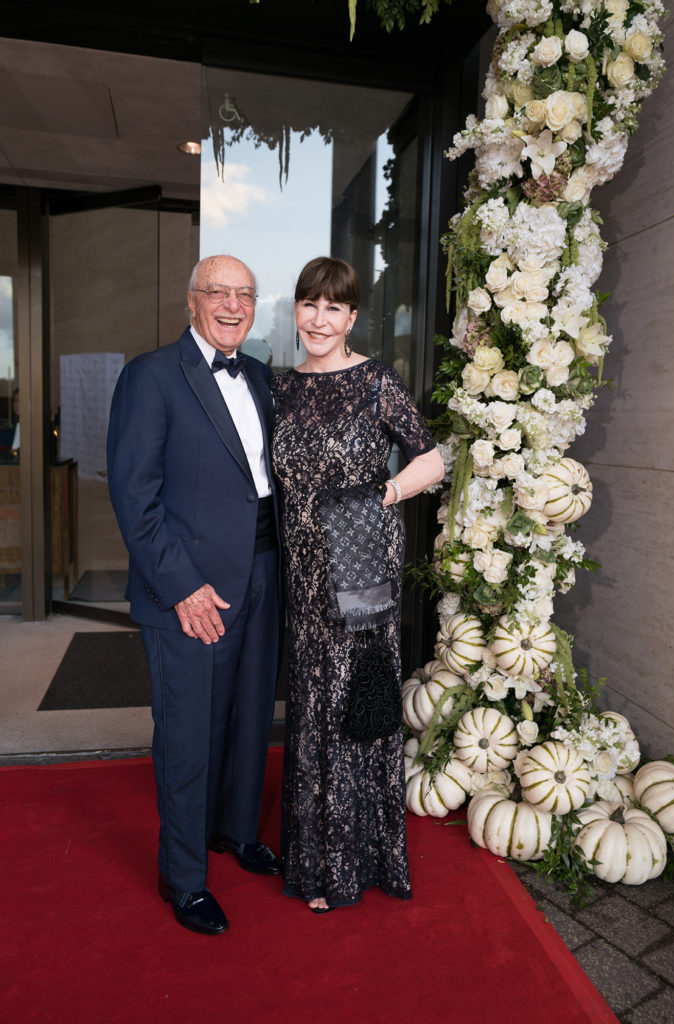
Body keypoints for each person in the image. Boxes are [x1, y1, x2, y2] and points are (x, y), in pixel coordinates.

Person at [107, 255, 282, 936]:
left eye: (245, 294)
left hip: (263, 573)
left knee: (249, 717)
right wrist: (181, 587)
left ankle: (235, 832)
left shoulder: (262, 376)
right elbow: (135, 496)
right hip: (191, 586)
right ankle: (182, 878)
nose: (232, 305)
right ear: (192, 301)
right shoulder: (151, 376)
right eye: (218, 292)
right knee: (187, 735)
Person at [271, 257, 444, 912]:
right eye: (309, 305)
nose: (320, 319)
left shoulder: (375, 380)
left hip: (359, 558)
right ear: (296, 310)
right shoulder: (280, 389)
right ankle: (314, 857)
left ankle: (353, 861)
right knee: (311, 702)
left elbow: (431, 458)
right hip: (301, 566)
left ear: (351, 318)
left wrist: (382, 497)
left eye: (334, 308)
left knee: (352, 702)